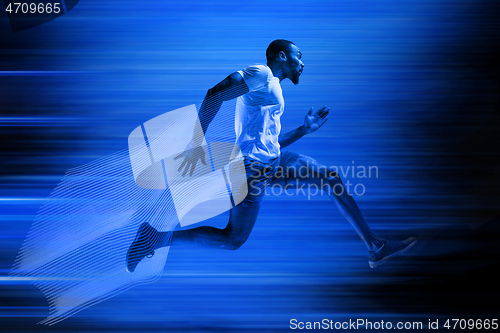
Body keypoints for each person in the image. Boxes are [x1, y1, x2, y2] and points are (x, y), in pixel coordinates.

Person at [126, 39, 416, 272]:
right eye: (299, 56)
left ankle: (376, 247)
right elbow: (215, 93)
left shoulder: (272, 88)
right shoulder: (261, 74)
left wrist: (304, 129)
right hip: (250, 170)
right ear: (281, 56)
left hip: (272, 162)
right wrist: (195, 141)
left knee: (331, 178)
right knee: (233, 240)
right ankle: (153, 238)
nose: (303, 63)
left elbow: (269, 142)